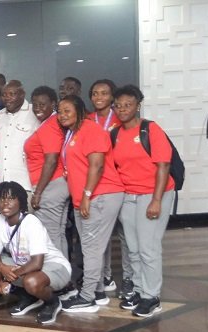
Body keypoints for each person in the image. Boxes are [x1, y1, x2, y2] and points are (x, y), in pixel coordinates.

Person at [112, 84, 175, 317]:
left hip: (154, 193)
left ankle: (152, 296)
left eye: (128, 105)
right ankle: (138, 290)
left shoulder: (150, 129)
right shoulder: (116, 133)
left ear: (138, 105)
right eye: (118, 105)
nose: (122, 109)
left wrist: (156, 200)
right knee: (133, 248)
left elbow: (163, 166)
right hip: (129, 195)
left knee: (148, 248)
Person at [58, 95, 125, 314]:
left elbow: (97, 166)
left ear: (79, 110)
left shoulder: (93, 130)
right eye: (60, 111)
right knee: (91, 247)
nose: (62, 115)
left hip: (100, 196)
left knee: (91, 248)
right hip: (83, 198)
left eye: (67, 110)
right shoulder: (73, 133)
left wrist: (87, 195)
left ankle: (87, 298)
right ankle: (96, 292)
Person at [0, 181, 72, 324]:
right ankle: (29, 297)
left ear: (21, 202)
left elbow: (37, 263)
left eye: (11, 199)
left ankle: (52, 302)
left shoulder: (31, 223)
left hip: (54, 266)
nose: (5, 203)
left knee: (31, 281)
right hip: (23, 265)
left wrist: (10, 276)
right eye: (1, 199)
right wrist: (2, 268)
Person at [88, 79, 128, 295]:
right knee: (98, 235)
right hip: (98, 184)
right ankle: (105, 276)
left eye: (104, 93)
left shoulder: (121, 120)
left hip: (122, 181)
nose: (99, 97)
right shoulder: (87, 120)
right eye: (95, 93)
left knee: (124, 236)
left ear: (112, 97)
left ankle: (129, 281)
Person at [25, 86, 69, 255]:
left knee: (49, 235)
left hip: (50, 186)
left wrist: (38, 193)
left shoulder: (51, 125)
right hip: (58, 184)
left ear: (54, 104)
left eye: (42, 105)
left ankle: (54, 277)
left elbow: (51, 161)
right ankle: (63, 276)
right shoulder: (52, 123)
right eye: (35, 105)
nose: (38, 109)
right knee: (58, 232)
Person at [0, 80, 38, 192]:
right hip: (1, 183)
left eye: (12, 94)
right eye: (4, 95)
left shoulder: (34, 112)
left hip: (26, 184)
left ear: (22, 94)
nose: (7, 98)